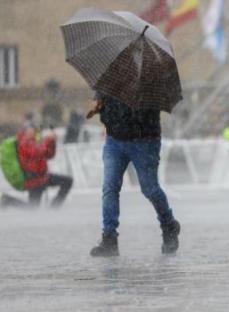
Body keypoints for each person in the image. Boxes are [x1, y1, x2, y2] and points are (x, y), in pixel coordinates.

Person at [87, 93, 180, 257]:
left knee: (150, 188)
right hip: (115, 141)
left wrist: (130, 111)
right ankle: (109, 238)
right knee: (110, 187)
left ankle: (169, 225)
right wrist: (100, 107)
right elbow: (101, 102)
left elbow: (148, 117)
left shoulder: (149, 78)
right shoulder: (113, 77)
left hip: (145, 142)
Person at [16, 126, 73, 208]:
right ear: (25, 132)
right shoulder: (24, 142)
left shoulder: (35, 142)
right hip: (33, 180)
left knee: (67, 181)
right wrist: (48, 139)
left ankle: (54, 207)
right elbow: (37, 152)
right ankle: (8, 201)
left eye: (34, 130)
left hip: (43, 177)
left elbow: (49, 155)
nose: (34, 132)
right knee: (31, 209)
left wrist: (52, 142)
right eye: (31, 130)